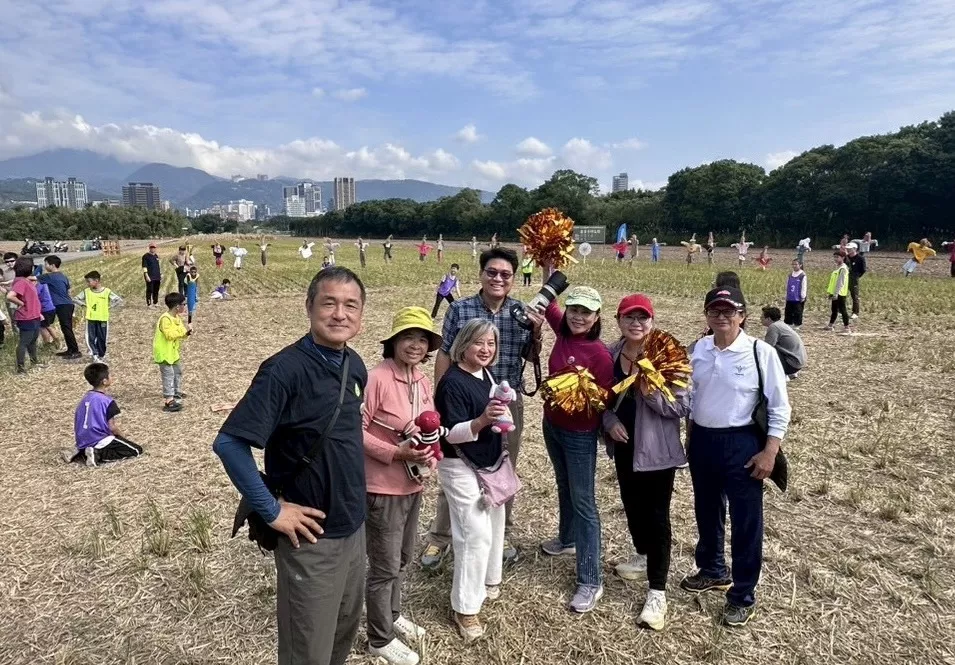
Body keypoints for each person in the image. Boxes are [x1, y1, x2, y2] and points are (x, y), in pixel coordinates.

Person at [212, 267, 368, 665]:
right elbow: (229, 444)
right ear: (309, 307)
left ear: (361, 314)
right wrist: (271, 510)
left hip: (353, 527)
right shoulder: (284, 370)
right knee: (308, 651)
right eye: (329, 303)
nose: (340, 314)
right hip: (312, 539)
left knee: (342, 633)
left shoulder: (354, 365)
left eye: (350, 305)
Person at [421, 247, 539, 570]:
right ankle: (440, 536)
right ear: (481, 275)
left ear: (513, 279)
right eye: (492, 272)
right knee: (457, 464)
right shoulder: (460, 309)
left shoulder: (521, 312)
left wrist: (537, 332)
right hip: (464, 398)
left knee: (504, 467)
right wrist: (441, 395)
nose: (498, 279)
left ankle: (501, 534)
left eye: (505, 274)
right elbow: (445, 353)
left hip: (507, 402)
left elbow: (529, 357)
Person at [681, 286, 791, 627]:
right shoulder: (697, 350)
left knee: (746, 521)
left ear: (742, 316)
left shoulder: (760, 352)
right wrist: (690, 438)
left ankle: (743, 594)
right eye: (714, 310)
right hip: (703, 440)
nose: (721, 317)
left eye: (729, 311)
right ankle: (712, 569)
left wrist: (769, 451)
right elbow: (691, 398)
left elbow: (780, 407)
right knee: (706, 509)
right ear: (706, 315)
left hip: (742, 443)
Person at [602, 294, 689, 631]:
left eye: (642, 317)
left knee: (657, 517)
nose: (636, 323)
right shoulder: (610, 353)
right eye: (629, 317)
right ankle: (642, 555)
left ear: (652, 321)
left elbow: (681, 406)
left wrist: (650, 391)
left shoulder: (666, 354)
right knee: (632, 506)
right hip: (625, 448)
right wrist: (609, 421)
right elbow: (600, 398)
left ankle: (657, 593)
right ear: (618, 320)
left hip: (657, 452)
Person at [362, 307, 442, 665]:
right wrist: (395, 453)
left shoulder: (422, 380)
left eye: (422, 339)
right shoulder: (376, 378)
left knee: (404, 557)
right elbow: (354, 431)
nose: (415, 345)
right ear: (393, 341)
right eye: (408, 337)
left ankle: (392, 615)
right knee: (384, 566)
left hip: (413, 485)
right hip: (382, 487)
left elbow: (429, 429)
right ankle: (379, 639)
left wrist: (431, 458)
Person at [434, 319, 511, 641]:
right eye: (478, 343)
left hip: (488, 462)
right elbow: (450, 434)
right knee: (473, 533)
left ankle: (489, 579)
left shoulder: (486, 374)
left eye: (491, 343)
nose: (485, 349)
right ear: (463, 345)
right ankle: (465, 608)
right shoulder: (452, 383)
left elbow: (497, 405)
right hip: (460, 464)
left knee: (495, 519)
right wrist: (481, 421)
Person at [538, 287, 614, 613]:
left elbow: (607, 398)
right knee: (563, 484)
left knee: (584, 501)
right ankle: (567, 539)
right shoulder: (562, 331)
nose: (578, 317)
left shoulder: (599, 354)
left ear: (597, 317)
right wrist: (549, 270)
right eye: (574, 310)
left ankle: (590, 580)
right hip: (552, 425)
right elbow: (548, 304)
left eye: (586, 312)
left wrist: (581, 392)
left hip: (580, 435)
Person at [66, 362, 143, 466]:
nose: (112, 376)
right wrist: (123, 437)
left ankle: (81, 452)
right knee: (136, 450)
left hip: (81, 439)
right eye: (110, 375)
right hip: (99, 439)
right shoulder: (107, 401)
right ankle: (97, 454)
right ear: (104, 381)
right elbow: (112, 428)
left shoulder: (85, 398)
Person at [73, 270, 123, 362]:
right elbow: (75, 299)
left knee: (102, 337)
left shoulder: (107, 291)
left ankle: (101, 354)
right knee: (90, 337)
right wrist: (83, 305)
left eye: (89, 281)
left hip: (103, 318)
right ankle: (94, 354)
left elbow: (118, 300)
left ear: (96, 281)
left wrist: (110, 307)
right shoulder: (86, 292)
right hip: (91, 318)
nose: (87, 284)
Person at [153, 292, 192, 413]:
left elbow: (182, 332)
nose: (185, 306)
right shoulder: (165, 319)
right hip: (164, 353)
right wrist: (183, 333)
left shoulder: (176, 318)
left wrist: (187, 332)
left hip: (173, 352)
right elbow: (169, 335)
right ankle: (169, 400)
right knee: (168, 375)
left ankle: (176, 392)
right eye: (183, 304)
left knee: (177, 371)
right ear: (177, 306)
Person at [39, 255, 81, 359]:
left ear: (52, 265)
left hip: (62, 305)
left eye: (46, 264)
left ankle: (75, 351)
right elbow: (68, 290)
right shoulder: (63, 276)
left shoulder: (49, 276)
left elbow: (31, 278)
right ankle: (70, 350)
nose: (45, 266)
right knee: (65, 328)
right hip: (67, 304)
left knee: (67, 329)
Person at [6, 257, 43, 373]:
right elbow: (10, 296)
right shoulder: (21, 282)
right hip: (26, 317)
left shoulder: (24, 280)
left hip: (34, 315)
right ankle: (20, 368)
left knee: (33, 340)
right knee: (24, 342)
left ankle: (34, 362)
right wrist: (21, 303)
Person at [761, 307, 806, 380]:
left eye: (762, 317)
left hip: (792, 364)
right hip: (798, 361)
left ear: (768, 319)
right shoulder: (781, 324)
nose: (760, 318)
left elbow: (767, 347)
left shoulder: (774, 327)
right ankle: (789, 373)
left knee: (767, 352)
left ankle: (781, 375)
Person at [824, 251, 851, 334]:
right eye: (834, 257)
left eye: (837, 257)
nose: (835, 259)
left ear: (843, 258)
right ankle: (830, 325)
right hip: (835, 292)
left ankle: (847, 327)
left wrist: (836, 294)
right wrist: (831, 293)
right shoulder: (838, 268)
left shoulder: (843, 269)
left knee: (843, 310)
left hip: (840, 293)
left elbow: (840, 282)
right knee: (834, 309)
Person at [36, 277, 61, 351]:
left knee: (44, 327)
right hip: (50, 307)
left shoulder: (39, 286)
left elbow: (34, 294)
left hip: (45, 309)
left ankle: (49, 343)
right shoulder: (45, 284)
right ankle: (55, 341)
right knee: (47, 326)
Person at [784, 260, 807, 329]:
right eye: (793, 264)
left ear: (800, 265)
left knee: (798, 311)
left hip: (798, 297)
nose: (794, 266)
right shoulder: (790, 275)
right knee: (788, 310)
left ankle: (797, 324)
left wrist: (803, 296)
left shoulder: (802, 275)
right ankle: (788, 323)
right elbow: (787, 285)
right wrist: (786, 294)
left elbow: (804, 286)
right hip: (790, 296)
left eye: (796, 264)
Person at [845, 243, 866, 319]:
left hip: (854, 279)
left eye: (850, 249)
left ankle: (855, 312)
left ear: (855, 249)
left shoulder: (860, 258)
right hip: (845, 278)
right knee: (841, 294)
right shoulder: (846, 258)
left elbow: (863, 270)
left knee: (854, 296)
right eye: (847, 249)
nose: (848, 250)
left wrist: (856, 276)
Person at [142, 243, 162, 307]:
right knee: (150, 290)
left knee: (156, 290)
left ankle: (155, 302)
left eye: (154, 248)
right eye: (151, 247)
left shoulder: (156, 256)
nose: (153, 249)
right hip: (150, 276)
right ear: (149, 248)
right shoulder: (146, 256)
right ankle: (149, 304)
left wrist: (160, 274)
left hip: (157, 276)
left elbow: (157, 266)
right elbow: (144, 267)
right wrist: (146, 275)